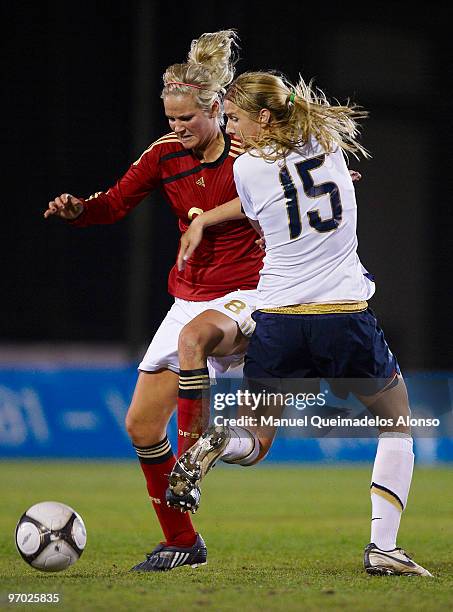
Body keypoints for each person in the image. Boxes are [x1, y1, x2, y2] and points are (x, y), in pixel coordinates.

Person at [167, 71, 432, 577]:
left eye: (236, 118)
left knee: (256, 439)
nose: (231, 130)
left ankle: (223, 439)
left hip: (278, 321)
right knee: (397, 420)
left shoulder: (247, 169)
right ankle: (383, 547)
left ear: (264, 116)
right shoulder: (327, 140)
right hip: (340, 316)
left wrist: (203, 219)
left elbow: (267, 202)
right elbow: (306, 177)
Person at [44, 30, 265, 572]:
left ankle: (195, 453)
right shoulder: (165, 156)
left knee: (199, 348)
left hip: (251, 292)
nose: (175, 128)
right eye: (169, 119)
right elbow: (115, 203)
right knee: (142, 426)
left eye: (186, 119)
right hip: (189, 296)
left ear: (216, 108)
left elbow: (296, 186)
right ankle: (183, 543)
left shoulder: (254, 154)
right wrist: (81, 211)